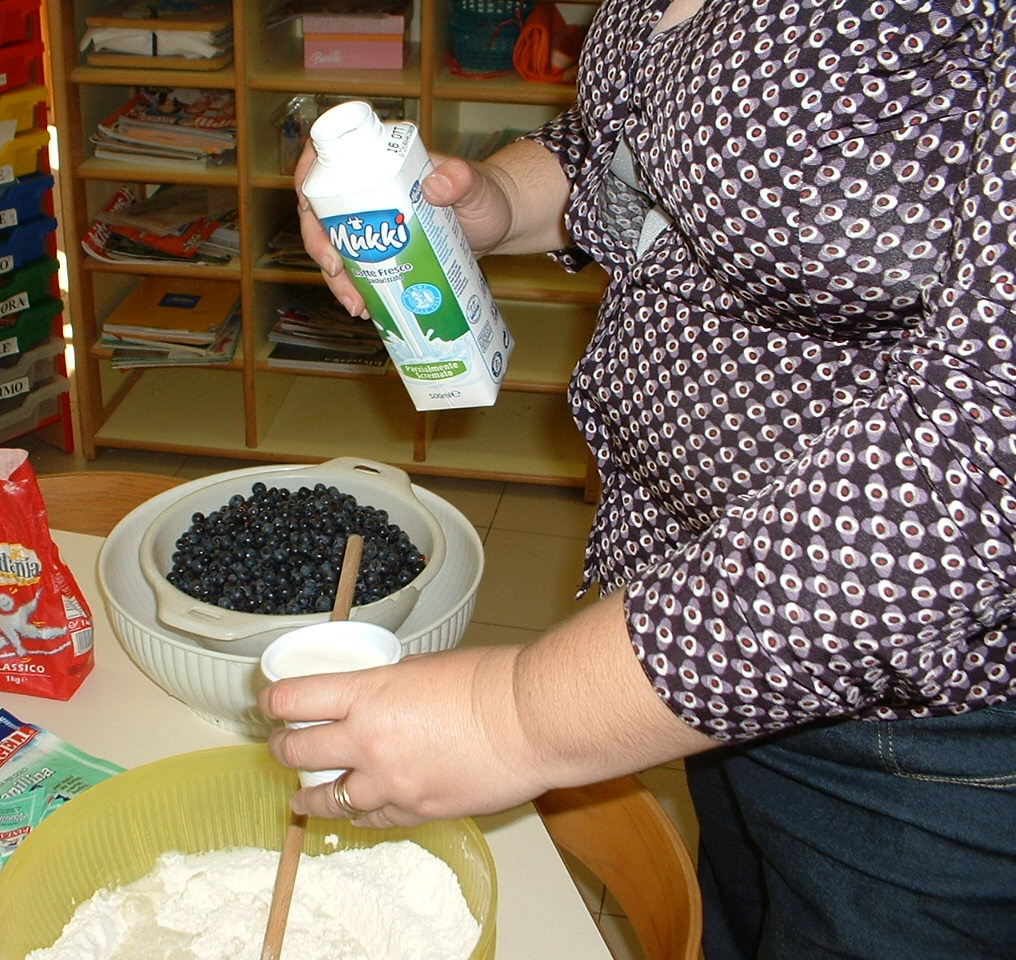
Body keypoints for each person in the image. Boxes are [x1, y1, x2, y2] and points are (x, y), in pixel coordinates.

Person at [258, 1, 1016, 958]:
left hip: (936, 730)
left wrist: (517, 715)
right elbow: (639, 148)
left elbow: (982, 467)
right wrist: (491, 197)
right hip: (711, 655)